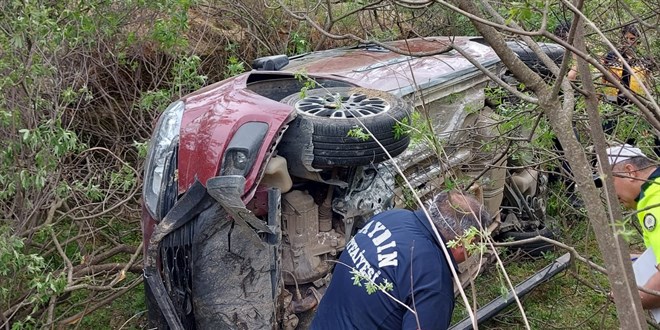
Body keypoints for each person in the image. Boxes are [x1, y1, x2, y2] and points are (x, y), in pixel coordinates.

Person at [311, 190, 492, 330]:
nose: (475, 249)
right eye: (475, 243)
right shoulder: (434, 282)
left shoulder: (391, 217)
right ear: (462, 242)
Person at [598, 144, 660, 308]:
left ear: (630, 172)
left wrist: (627, 300)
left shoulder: (655, 201)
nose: (609, 193)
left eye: (609, 182)